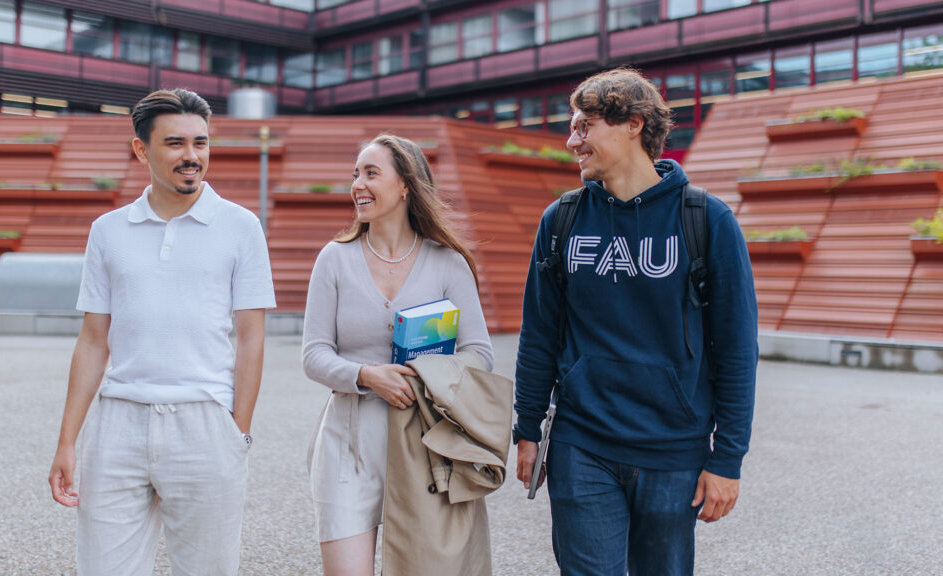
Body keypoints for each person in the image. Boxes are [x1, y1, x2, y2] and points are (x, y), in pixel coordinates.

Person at [513, 68, 758, 575]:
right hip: (582, 443)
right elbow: (539, 333)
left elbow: (736, 347)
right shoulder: (561, 220)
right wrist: (527, 426)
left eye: (585, 127)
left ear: (632, 124)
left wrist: (727, 460)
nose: (572, 140)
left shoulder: (708, 221)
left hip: (673, 451)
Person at [47, 88, 276, 576]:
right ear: (140, 149)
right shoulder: (108, 230)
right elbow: (92, 340)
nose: (192, 156)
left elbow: (252, 337)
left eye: (201, 143)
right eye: (175, 143)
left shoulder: (241, 226)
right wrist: (68, 439)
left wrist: (238, 432)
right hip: (117, 426)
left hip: (205, 424)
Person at [301, 134, 494, 576]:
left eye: (371, 173)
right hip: (347, 443)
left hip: (425, 442)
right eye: (355, 174)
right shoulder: (334, 259)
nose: (358, 185)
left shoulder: (447, 263)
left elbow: (480, 353)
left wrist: (425, 374)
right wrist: (367, 375)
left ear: (406, 185)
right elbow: (313, 355)